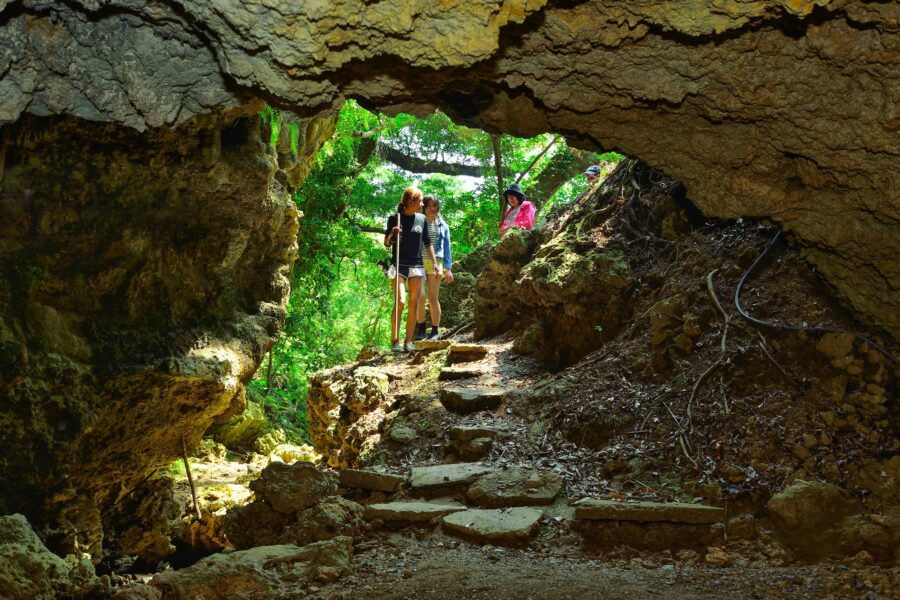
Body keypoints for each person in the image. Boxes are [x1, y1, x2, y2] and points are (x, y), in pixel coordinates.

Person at [385, 186, 438, 352]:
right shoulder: (395, 218)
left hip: (416, 265)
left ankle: (408, 342)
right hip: (398, 264)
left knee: (414, 302)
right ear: (410, 201)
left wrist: (435, 263)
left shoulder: (422, 219)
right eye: (420, 201)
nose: (422, 204)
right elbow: (386, 243)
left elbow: (427, 243)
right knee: (400, 301)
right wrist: (392, 234)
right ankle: (395, 340)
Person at [414, 196, 454, 340]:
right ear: (424, 206)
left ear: (438, 207)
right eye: (429, 205)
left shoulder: (443, 225)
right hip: (417, 261)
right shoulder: (418, 221)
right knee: (420, 296)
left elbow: (447, 248)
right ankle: (421, 327)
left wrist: (448, 268)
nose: (432, 208)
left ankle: (435, 330)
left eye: (435, 205)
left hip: (436, 261)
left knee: (432, 297)